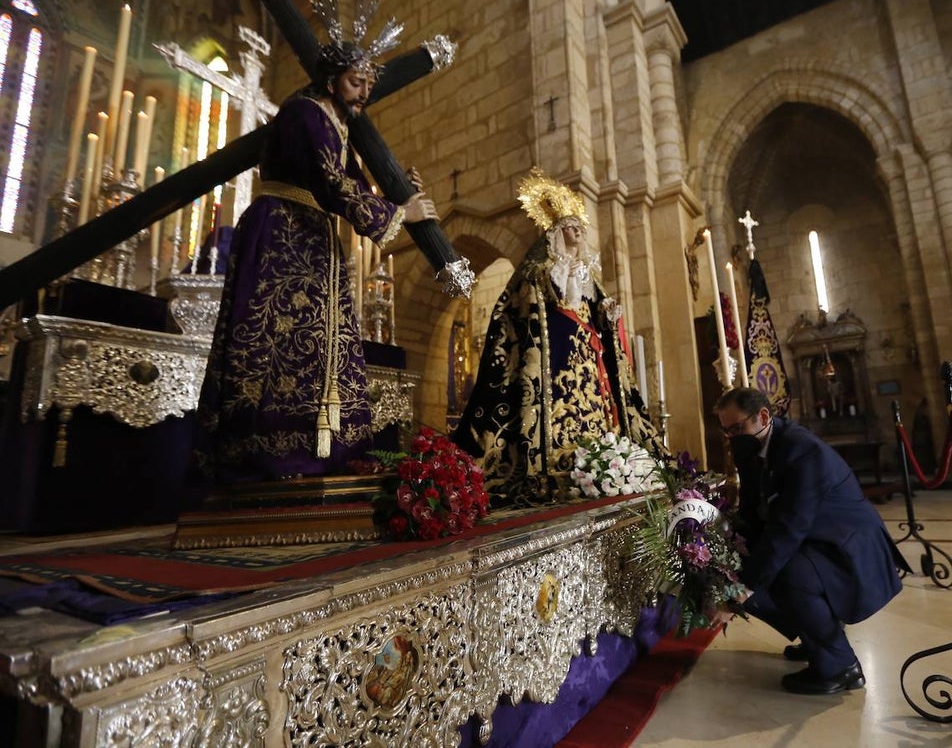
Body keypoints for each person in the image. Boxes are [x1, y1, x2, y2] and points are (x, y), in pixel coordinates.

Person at [194, 39, 438, 485]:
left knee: (323, 344)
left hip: (312, 237)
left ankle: (324, 452)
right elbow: (332, 183)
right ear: (331, 80)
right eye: (355, 82)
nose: (363, 93)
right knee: (278, 343)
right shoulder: (305, 113)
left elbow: (354, 182)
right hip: (282, 236)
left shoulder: (336, 123)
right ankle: (272, 457)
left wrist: (399, 194)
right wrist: (400, 214)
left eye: (367, 83)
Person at [453, 168, 663, 508]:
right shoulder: (541, 267)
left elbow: (593, 305)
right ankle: (552, 462)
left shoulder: (587, 272)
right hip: (555, 350)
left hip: (587, 351)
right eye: (572, 226)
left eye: (580, 227)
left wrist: (608, 311)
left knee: (592, 402)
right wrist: (554, 283)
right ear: (556, 230)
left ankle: (606, 459)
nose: (578, 232)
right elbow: (530, 303)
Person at [713, 387, 908, 695]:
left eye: (737, 428)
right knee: (748, 564)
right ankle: (813, 634)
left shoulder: (801, 450)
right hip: (811, 537)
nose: (732, 437)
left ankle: (840, 666)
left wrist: (740, 590)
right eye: (727, 431)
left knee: (788, 573)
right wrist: (728, 551)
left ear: (763, 416)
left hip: (846, 543)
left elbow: (788, 528)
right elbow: (752, 506)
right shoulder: (747, 448)